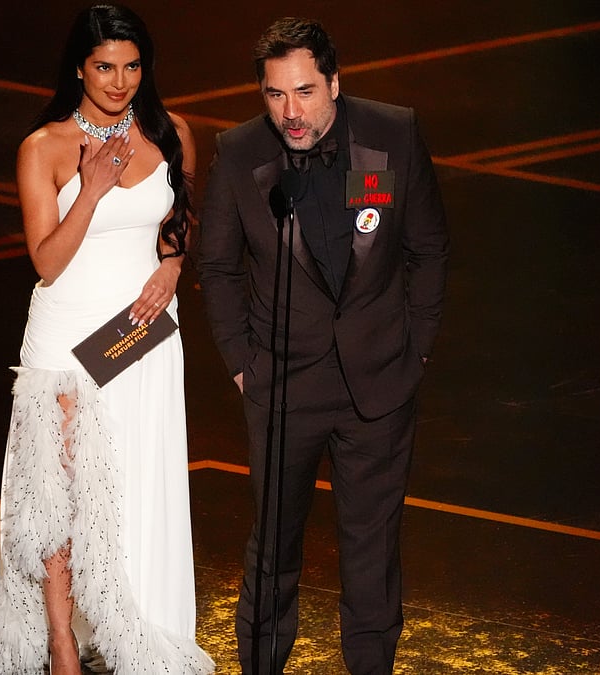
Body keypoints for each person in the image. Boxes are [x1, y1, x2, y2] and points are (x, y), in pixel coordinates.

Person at [0, 5, 214, 674]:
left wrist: (171, 266)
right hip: (70, 336)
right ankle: (60, 640)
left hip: (143, 332)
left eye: (132, 66)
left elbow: (181, 219)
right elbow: (47, 260)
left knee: (129, 483)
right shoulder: (43, 147)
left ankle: (125, 620)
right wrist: (91, 190)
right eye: (105, 67)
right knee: (60, 489)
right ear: (79, 68)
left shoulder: (172, 132)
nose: (119, 81)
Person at [196, 17, 449, 675]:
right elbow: (217, 266)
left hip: (379, 383)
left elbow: (428, 249)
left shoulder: (393, 133)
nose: (291, 111)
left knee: (372, 553)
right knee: (273, 550)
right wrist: (242, 363)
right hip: (282, 386)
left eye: (305, 91)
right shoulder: (239, 152)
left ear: (335, 82)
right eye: (275, 94)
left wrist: (416, 351)